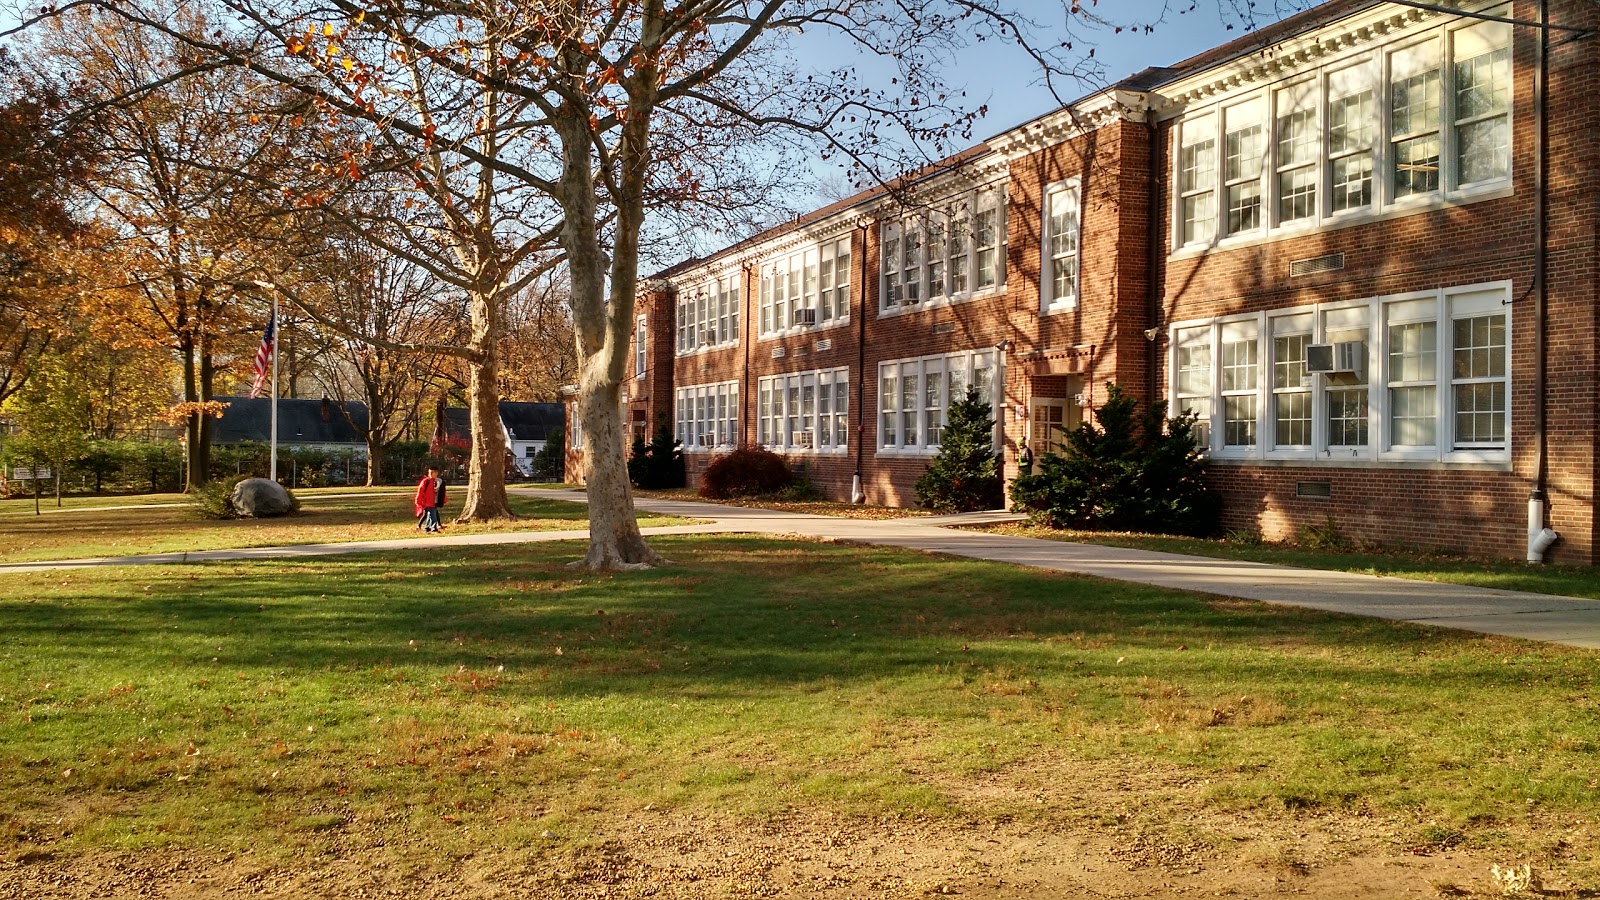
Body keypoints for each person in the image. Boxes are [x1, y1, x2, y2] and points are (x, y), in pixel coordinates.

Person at [413, 467, 447, 533]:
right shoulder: (426, 481)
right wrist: (418, 501)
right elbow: (420, 491)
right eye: (430, 473)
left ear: (436, 473)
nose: (431, 474)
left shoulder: (439, 481)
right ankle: (434, 528)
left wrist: (444, 499)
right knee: (433, 515)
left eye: (432, 472)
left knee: (430, 515)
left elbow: (442, 492)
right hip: (427, 502)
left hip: (435, 502)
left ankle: (426, 528)